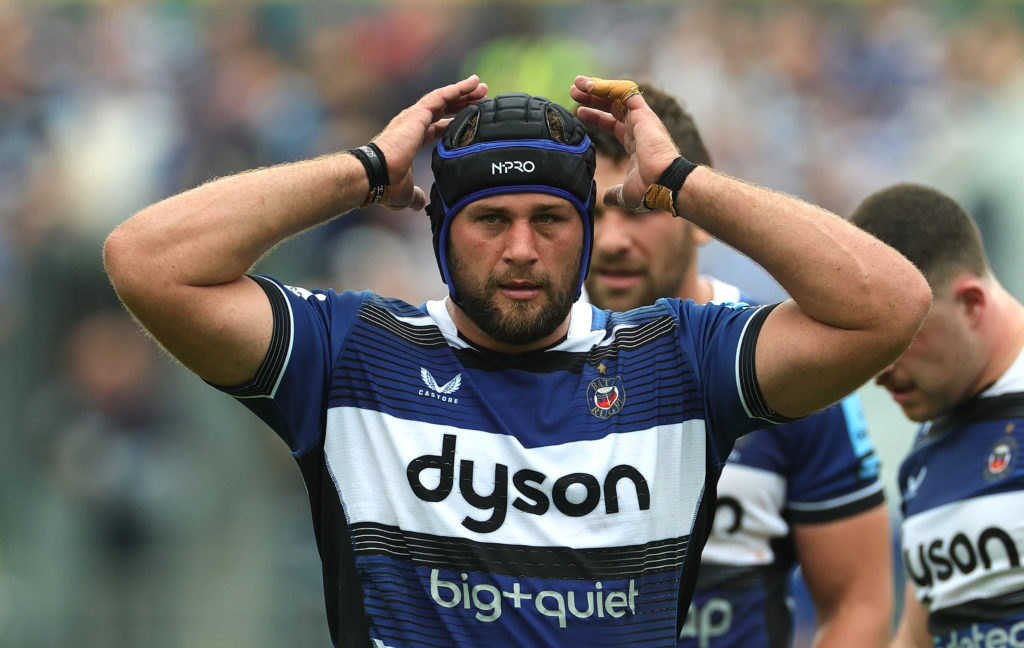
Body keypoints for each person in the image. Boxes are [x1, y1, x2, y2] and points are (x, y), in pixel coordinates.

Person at [102, 74, 930, 647]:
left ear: (589, 231)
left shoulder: (681, 358)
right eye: (490, 220)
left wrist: (683, 180)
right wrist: (365, 170)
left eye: (551, 219)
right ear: (438, 229)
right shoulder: (353, 353)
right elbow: (146, 259)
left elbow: (888, 304)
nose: (523, 250)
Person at [584, 85, 893, 648]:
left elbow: (859, 602)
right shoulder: (522, 358)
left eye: (637, 207)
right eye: (589, 213)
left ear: (699, 217)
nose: (612, 241)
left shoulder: (781, 363)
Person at [849, 184, 1024, 648]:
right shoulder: (930, 442)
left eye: (899, 336)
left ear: (970, 304)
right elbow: (919, 630)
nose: (879, 371)